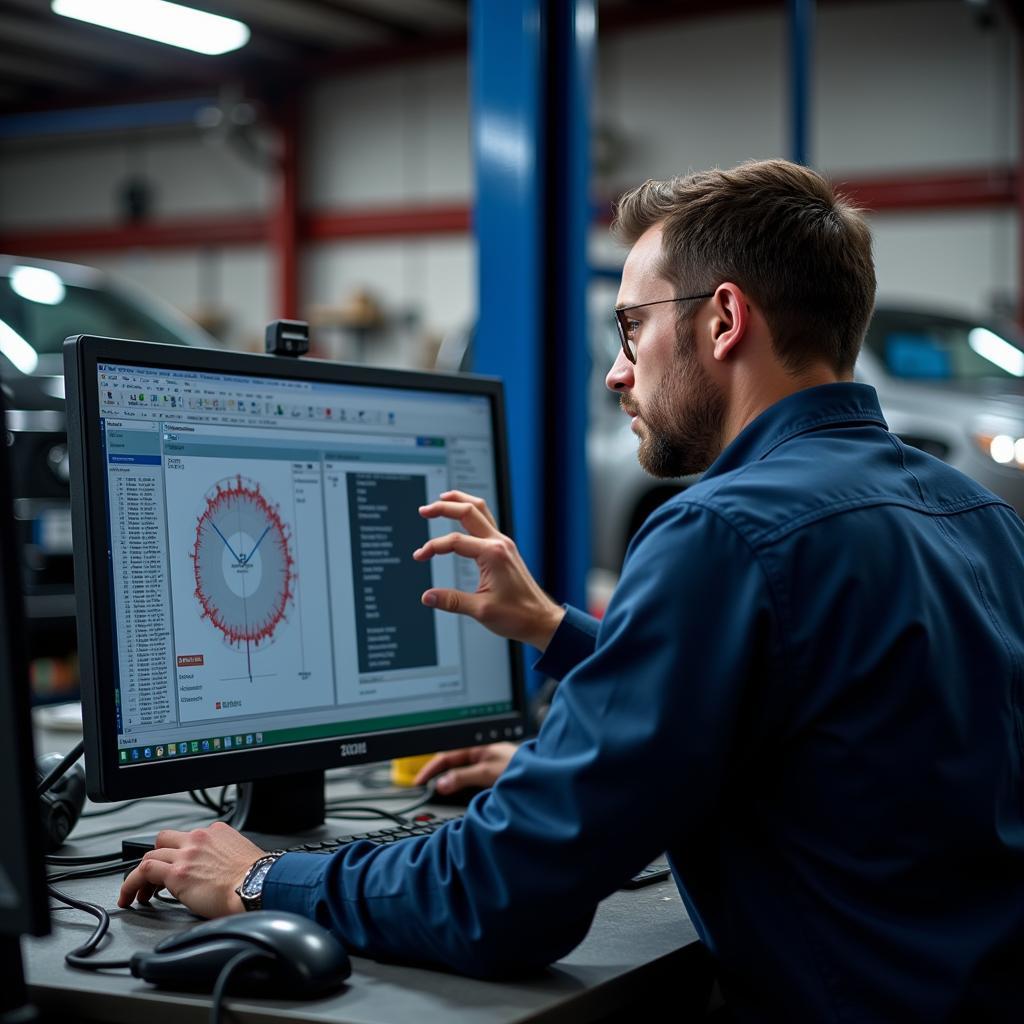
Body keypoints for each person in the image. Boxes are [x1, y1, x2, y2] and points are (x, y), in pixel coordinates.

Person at [119, 160, 1024, 1020]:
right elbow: (821, 710)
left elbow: (500, 898)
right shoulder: (976, 517)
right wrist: (563, 640)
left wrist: (259, 880)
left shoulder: (721, 530)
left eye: (631, 327)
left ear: (723, 321)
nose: (616, 370)